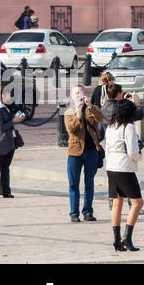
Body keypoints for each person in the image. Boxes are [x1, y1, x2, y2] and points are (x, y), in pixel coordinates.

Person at [103, 85, 143, 252]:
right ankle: (127, 237)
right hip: (124, 167)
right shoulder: (129, 127)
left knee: (117, 202)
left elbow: (105, 145)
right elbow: (133, 152)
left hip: (111, 166)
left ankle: (116, 239)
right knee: (137, 203)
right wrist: (140, 156)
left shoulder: (112, 127)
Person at [63, 85, 102, 222]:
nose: (79, 95)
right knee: (73, 184)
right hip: (75, 151)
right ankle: (74, 213)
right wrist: (78, 115)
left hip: (91, 150)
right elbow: (71, 129)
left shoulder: (90, 109)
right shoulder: (69, 112)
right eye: (76, 93)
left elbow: (100, 118)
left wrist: (90, 106)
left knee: (89, 182)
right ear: (72, 97)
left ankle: (88, 212)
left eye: (81, 92)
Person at [0, 85, 26, 198]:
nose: (11, 97)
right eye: (9, 95)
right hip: (0, 142)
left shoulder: (6, 107)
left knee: (6, 167)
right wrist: (14, 120)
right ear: (2, 96)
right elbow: (1, 128)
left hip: (10, 141)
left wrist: (18, 115)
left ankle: (5, 191)